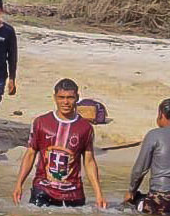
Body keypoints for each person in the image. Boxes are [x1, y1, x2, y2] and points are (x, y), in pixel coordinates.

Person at [12, 78, 106, 209]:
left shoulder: (85, 128)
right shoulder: (41, 123)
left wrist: (98, 194)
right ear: (55, 98)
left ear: (77, 98)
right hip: (43, 189)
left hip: (73, 193)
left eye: (70, 97)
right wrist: (19, 184)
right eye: (61, 97)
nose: (66, 102)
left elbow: (89, 161)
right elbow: (30, 154)